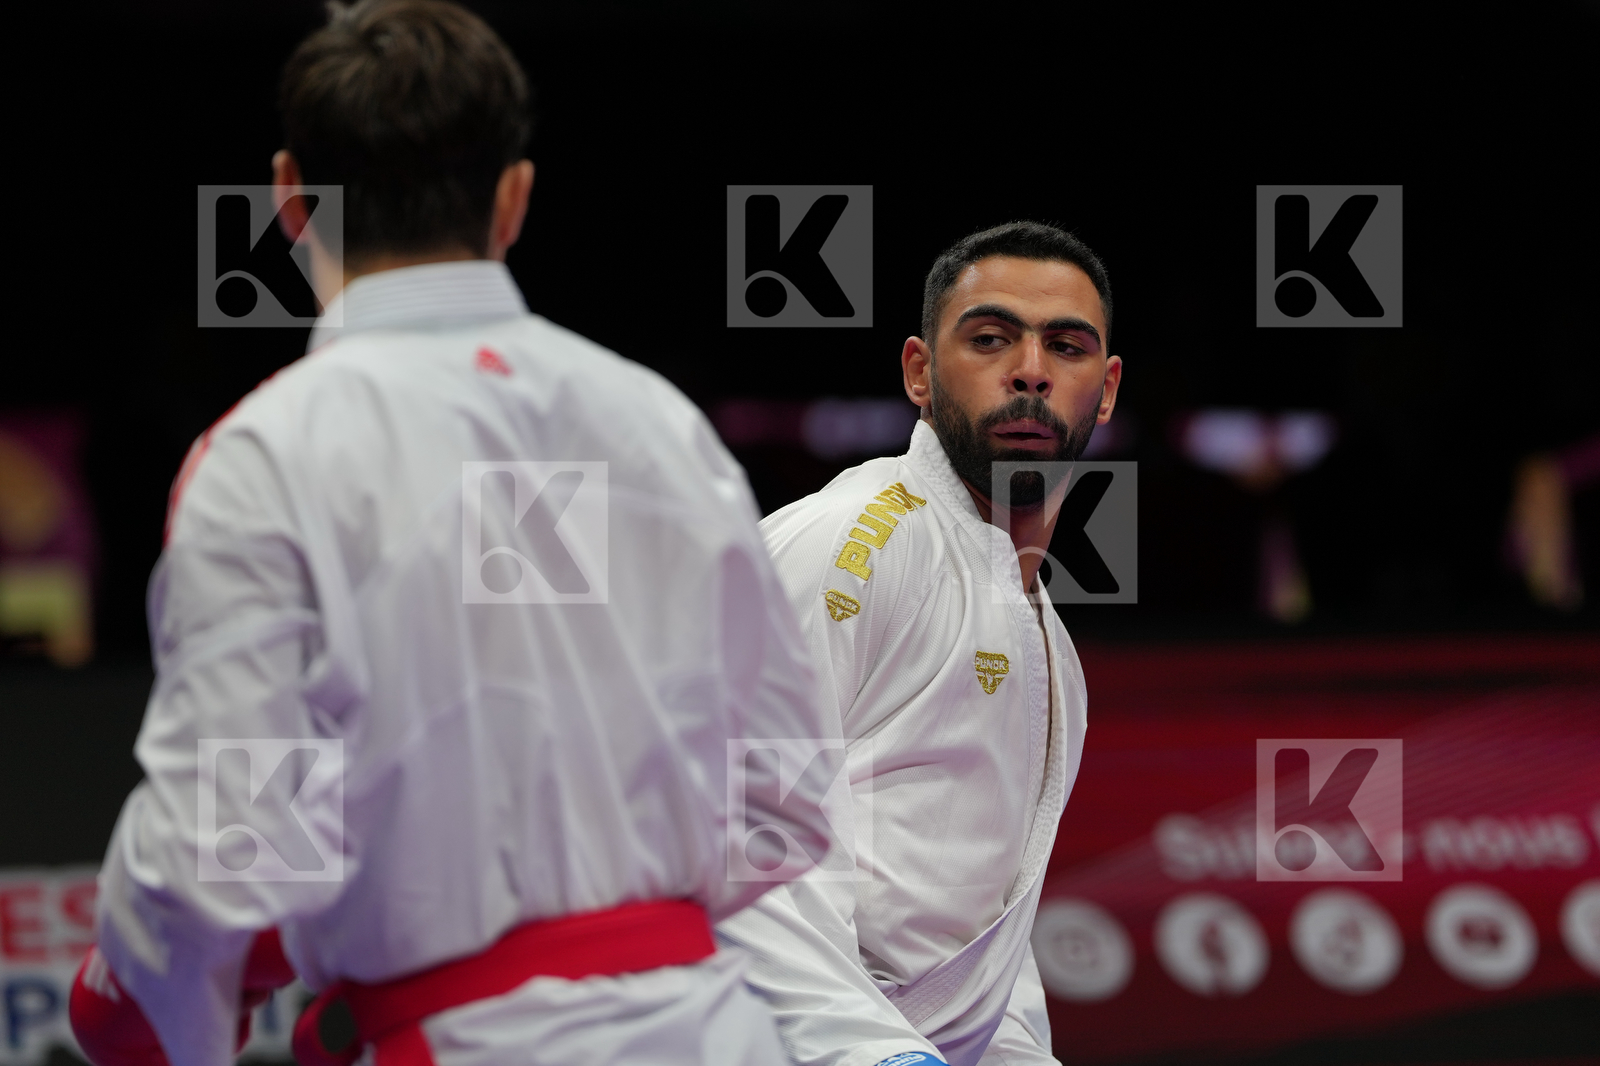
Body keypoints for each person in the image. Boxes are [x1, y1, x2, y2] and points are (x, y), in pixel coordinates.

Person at [69, 3, 833, 1065]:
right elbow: (789, 799)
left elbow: (221, 852)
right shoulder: (663, 425)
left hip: (465, 1039)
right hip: (718, 1034)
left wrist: (142, 992)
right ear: (514, 198)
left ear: (289, 198)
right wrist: (608, 903)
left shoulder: (268, 451)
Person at [717, 222, 1122, 1066]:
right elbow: (738, 847)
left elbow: (979, 959)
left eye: (1066, 346)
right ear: (919, 373)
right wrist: (876, 1055)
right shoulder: (848, 544)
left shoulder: (1049, 642)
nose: (1031, 370)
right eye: (990, 338)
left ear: (1107, 388)